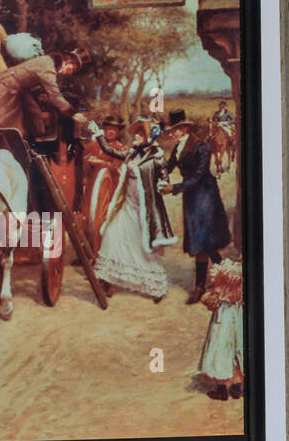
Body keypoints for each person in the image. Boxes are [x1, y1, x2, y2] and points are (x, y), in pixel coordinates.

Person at [90, 121, 177, 300]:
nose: (135, 137)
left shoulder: (157, 158)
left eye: (139, 134)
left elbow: (164, 179)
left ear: (149, 138)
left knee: (145, 248)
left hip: (146, 211)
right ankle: (108, 280)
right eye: (135, 133)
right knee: (112, 235)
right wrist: (98, 134)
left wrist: (162, 185)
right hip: (127, 204)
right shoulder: (131, 153)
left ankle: (154, 286)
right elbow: (110, 151)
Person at [160, 110, 231, 303]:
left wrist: (174, 187)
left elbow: (199, 177)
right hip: (191, 196)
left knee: (203, 239)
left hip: (206, 195)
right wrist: (154, 169)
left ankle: (202, 285)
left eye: (173, 131)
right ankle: (223, 276)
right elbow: (167, 167)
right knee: (202, 240)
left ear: (183, 129)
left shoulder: (202, 147)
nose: (171, 134)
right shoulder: (177, 148)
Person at [0, 49, 89, 134]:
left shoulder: (49, 64)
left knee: (32, 117)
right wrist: (72, 113)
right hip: (2, 89)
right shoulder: (48, 67)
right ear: (69, 62)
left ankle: (38, 137)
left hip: (15, 91)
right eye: (74, 69)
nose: (72, 72)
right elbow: (54, 94)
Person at [198, 259, 244, 400]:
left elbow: (220, 287)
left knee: (221, 347)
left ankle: (223, 388)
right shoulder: (235, 271)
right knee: (236, 346)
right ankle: (236, 388)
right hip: (237, 313)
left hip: (225, 315)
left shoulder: (228, 271)